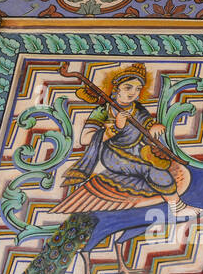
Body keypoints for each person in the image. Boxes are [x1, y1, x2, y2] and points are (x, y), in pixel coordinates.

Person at [58, 63, 190, 217]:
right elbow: (85, 139)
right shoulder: (103, 110)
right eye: (128, 87)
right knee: (154, 172)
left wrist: (153, 128)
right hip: (114, 155)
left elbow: (147, 125)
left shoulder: (137, 108)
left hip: (137, 150)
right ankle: (178, 209)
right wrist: (115, 128)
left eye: (137, 89)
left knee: (167, 164)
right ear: (116, 89)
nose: (133, 93)